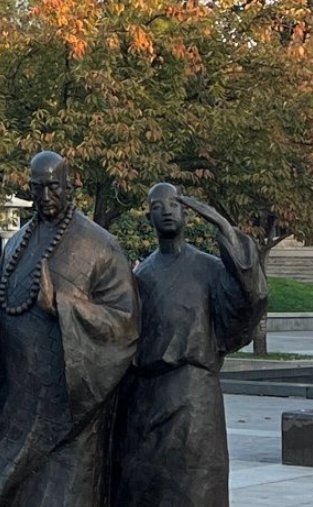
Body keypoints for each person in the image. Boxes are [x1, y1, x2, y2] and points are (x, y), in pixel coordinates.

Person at [0, 151, 138, 507]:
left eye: (53, 187)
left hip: (70, 402)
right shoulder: (21, 239)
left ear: (69, 186)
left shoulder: (99, 245)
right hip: (16, 393)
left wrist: (63, 307)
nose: (45, 197)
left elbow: (124, 321)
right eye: (37, 188)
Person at [112, 182, 268, 507]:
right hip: (146, 402)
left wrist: (225, 228)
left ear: (186, 212)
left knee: (195, 490)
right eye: (157, 206)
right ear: (148, 217)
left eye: (174, 204)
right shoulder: (140, 278)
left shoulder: (209, 269)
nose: (166, 211)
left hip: (194, 399)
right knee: (144, 489)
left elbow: (250, 300)